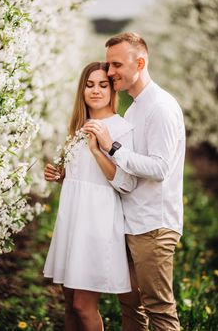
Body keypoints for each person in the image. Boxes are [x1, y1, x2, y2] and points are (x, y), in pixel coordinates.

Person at [83, 32, 186, 331]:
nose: (110, 72)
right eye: (109, 64)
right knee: (131, 307)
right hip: (132, 222)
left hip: (154, 226)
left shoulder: (161, 107)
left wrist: (113, 146)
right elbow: (126, 170)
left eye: (116, 65)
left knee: (160, 310)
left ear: (139, 62)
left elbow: (160, 168)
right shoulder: (135, 107)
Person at [43, 61, 137, 331]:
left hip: (97, 221)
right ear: (82, 90)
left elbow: (126, 182)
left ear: (111, 90)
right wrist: (61, 175)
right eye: (90, 84)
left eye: (102, 85)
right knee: (70, 302)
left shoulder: (119, 129)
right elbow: (83, 178)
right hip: (73, 218)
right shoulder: (77, 127)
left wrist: (98, 151)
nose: (95, 90)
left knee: (84, 306)